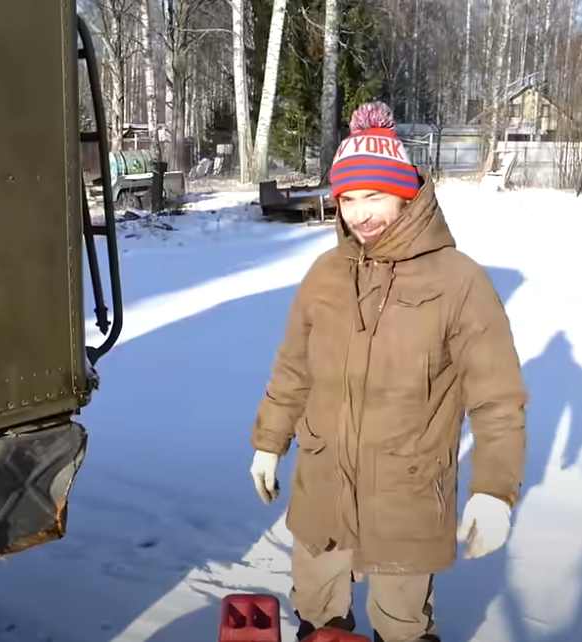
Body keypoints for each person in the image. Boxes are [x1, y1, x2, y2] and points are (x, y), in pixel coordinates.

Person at [248, 101, 527, 642]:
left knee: (401, 625)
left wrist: (494, 490)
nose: (359, 213)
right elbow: (293, 368)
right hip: (323, 486)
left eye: (373, 196)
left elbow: (497, 398)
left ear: (406, 191)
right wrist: (269, 440)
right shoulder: (325, 275)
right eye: (348, 198)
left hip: (407, 493)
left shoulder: (459, 281)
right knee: (316, 609)